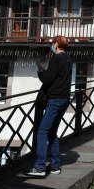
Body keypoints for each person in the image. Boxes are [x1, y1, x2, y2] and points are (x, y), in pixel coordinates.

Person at [24, 36, 72, 177]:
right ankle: (55, 165)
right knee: (52, 132)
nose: (52, 46)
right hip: (64, 98)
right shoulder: (68, 59)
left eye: (53, 43)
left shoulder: (57, 58)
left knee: (42, 131)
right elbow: (59, 77)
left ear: (56, 44)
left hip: (55, 99)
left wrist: (40, 73)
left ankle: (39, 167)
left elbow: (47, 79)